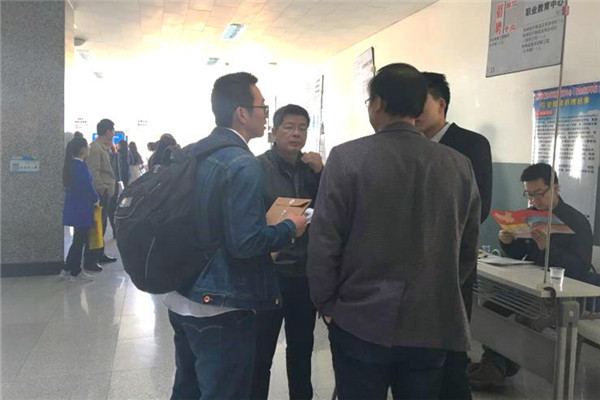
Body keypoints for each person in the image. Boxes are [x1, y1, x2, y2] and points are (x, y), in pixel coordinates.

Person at [307, 63, 481, 400]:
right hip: (431, 324)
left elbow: (324, 242)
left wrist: (326, 303)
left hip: (360, 319)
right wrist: (437, 289)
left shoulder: (346, 158)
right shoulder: (459, 165)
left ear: (377, 104)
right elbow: (467, 246)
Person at [164, 72, 308, 400]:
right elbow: (245, 243)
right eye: (262, 107)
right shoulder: (242, 163)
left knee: (187, 388)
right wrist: (290, 228)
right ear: (242, 113)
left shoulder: (195, 152)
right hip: (221, 304)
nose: (266, 114)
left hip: (182, 294)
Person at [468, 163, 597, 387]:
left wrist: (548, 249)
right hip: (533, 284)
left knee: (524, 315)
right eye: (529, 195)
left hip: (563, 294)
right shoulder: (532, 216)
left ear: (555, 188)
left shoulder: (577, 221)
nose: (534, 201)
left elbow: (580, 268)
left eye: (539, 194)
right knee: (492, 307)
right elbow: (522, 253)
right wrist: (507, 241)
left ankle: (496, 366)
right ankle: (494, 364)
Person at [416, 71, 493, 400]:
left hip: (451, 263)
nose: (413, 111)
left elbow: (480, 206)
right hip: (411, 266)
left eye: (420, 103)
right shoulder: (410, 144)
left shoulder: (471, 144)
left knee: (451, 353)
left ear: (441, 104)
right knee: (418, 357)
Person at [252, 104, 323, 400]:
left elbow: (329, 209)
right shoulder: (257, 167)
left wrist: (322, 173)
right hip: (268, 273)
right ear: (274, 131)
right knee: (260, 353)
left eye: (302, 128)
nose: (296, 134)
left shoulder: (311, 169)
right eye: (289, 127)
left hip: (303, 274)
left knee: (302, 349)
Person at [60, 137, 99, 282]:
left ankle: (67, 269)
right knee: (80, 240)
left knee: (77, 239)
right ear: (83, 149)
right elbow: (87, 186)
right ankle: (76, 271)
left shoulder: (70, 165)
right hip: (82, 207)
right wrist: (96, 199)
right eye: (87, 146)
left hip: (73, 206)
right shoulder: (81, 166)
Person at [86, 118, 118, 271]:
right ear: (107, 131)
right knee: (97, 226)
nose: (114, 133)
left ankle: (100, 253)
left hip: (107, 191)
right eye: (112, 130)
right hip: (101, 193)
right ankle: (91, 259)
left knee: (102, 225)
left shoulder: (104, 147)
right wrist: (102, 189)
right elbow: (94, 171)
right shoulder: (95, 148)